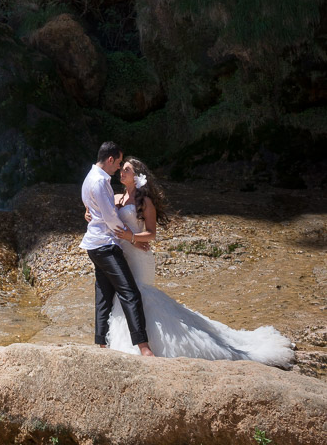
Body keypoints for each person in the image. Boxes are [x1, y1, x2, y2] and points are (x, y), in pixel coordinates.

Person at [104, 156, 295, 366]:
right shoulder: (116, 198)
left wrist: (131, 238)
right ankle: (135, 342)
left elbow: (151, 234)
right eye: (122, 169)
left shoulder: (145, 202)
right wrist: (89, 214)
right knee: (125, 296)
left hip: (139, 257)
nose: (122, 172)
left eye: (127, 170)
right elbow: (99, 213)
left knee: (138, 294)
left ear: (137, 176)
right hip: (123, 255)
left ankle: (148, 345)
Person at [81, 141, 155, 357]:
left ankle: (102, 344)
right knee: (129, 293)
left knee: (104, 294)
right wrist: (132, 238)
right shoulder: (99, 182)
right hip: (105, 245)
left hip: (98, 244)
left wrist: (90, 214)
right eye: (119, 163)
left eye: (125, 167)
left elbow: (93, 206)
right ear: (110, 159)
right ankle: (144, 348)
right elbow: (111, 218)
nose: (119, 169)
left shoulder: (91, 178)